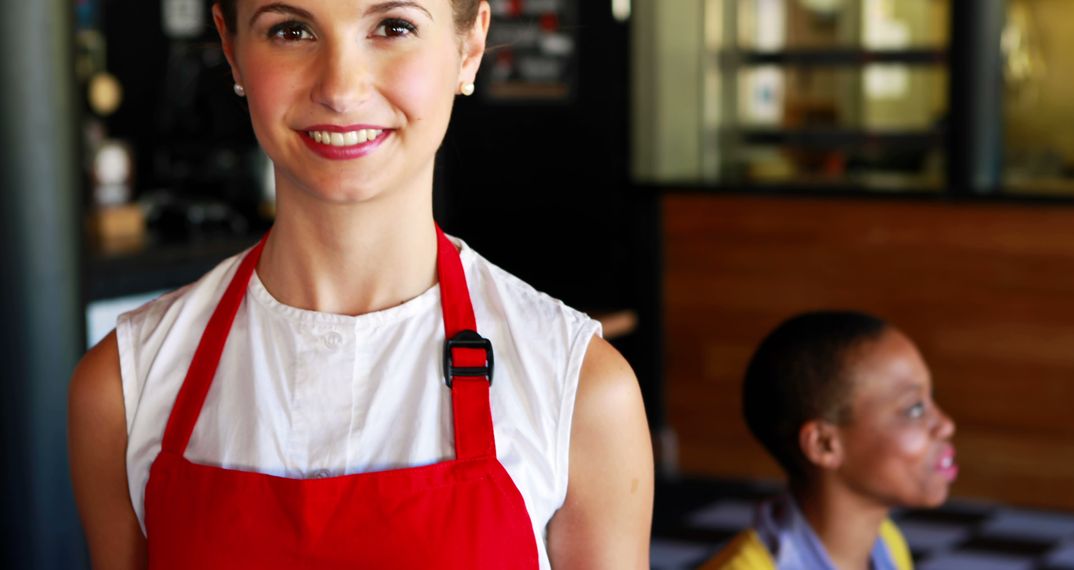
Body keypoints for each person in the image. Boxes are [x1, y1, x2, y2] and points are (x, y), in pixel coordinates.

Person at [67, 1, 653, 567]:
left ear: (469, 45)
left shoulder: (582, 394)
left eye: (393, 26)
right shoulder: (123, 392)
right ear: (231, 47)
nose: (341, 90)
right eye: (291, 30)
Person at [700, 311, 957, 570]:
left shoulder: (886, 542)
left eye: (931, 398)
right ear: (824, 444)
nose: (946, 425)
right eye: (915, 409)